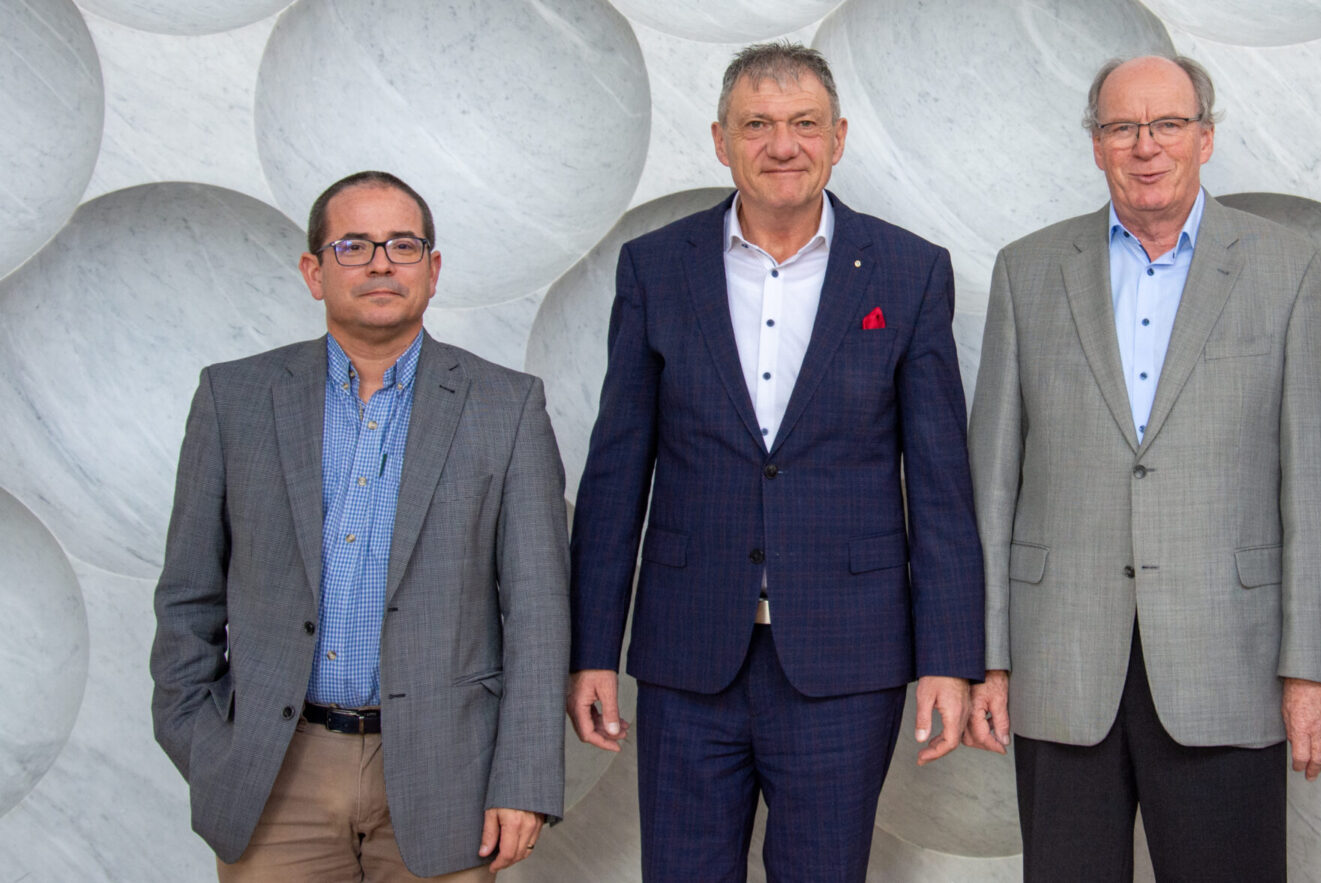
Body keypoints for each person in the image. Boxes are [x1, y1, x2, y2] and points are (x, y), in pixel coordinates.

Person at [566, 41, 983, 882]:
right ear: (721, 140)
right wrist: (590, 649)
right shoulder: (656, 268)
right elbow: (616, 474)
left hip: (847, 658)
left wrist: (950, 656)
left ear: (838, 138)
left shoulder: (909, 273)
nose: (782, 145)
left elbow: (940, 487)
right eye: (758, 124)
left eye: (804, 124)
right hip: (688, 656)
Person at [965, 54, 1321, 881]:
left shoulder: (1288, 269)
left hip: (1231, 665)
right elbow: (991, 484)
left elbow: (1320, 488)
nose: (1147, 146)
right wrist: (987, 657)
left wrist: (1316, 668)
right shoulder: (1027, 270)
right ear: (1097, 145)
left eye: (1168, 124)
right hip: (1061, 664)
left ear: (1205, 138)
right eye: (1122, 127)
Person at [149, 170, 570, 881]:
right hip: (277, 772)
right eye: (354, 245)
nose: (380, 262)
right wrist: (207, 743)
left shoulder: (508, 407)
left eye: (403, 245)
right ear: (315, 272)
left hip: (448, 773)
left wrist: (523, 778)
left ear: (433, 270)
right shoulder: (236, 398)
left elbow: (538, 610)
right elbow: (188, 595)